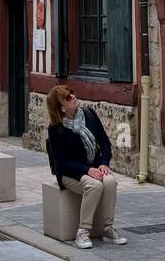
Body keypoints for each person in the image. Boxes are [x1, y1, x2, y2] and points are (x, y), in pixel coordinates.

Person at [45, 85, 128, 249]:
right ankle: (82, 232)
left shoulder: (89, 115)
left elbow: (105, 143)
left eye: (72, 93)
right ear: (61, 108)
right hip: (71, 173)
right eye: (68, 97)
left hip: (95, 167)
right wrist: (87, 170)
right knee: (94, 185)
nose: (73, 97)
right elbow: (61, 162)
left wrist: (104, 163)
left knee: (110, 182)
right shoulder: (56, 129)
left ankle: (107, 229)